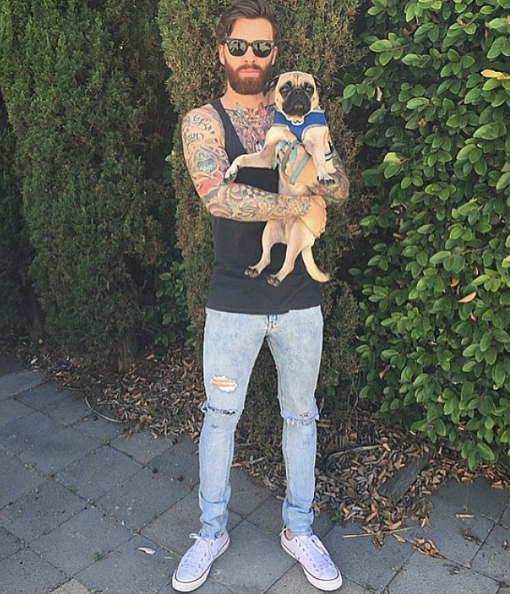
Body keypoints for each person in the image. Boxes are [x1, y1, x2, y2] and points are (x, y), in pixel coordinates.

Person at [173, 0, 350, 591]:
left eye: (262, 47)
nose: (251, 56)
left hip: (300, 301)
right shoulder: (203, 122)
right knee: (220, 417)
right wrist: (299, 203)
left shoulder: (302, 119)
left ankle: (299, 530)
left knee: (301, 416)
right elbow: (216, 196)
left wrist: (325, 160)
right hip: (233, 301)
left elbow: (340, 188)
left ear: (275, 57)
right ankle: (211, 532)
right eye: (240, 46)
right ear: (222, 51)